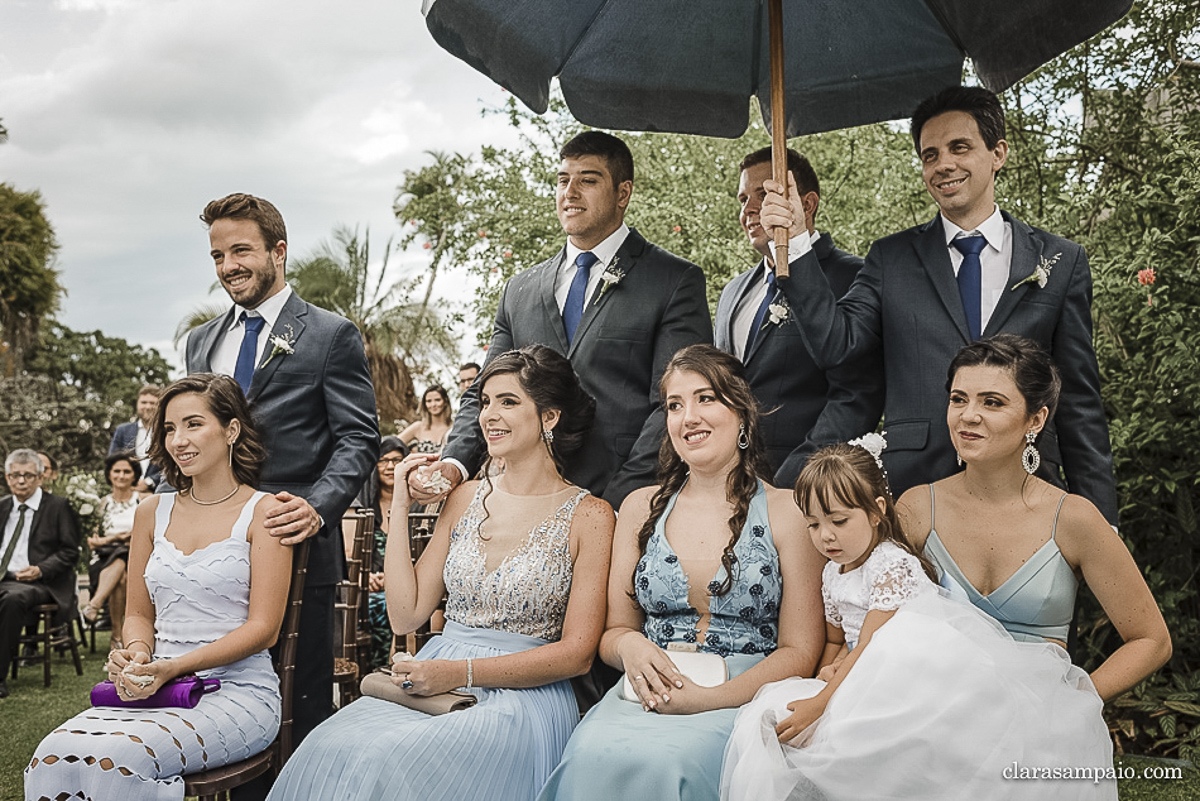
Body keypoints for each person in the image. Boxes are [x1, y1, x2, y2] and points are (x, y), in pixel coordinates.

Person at [721, 338, 1170, 801]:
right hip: (927, 710)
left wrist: (1075, 703)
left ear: (1036, 419)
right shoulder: (919, 508)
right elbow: (865, 603)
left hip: (1036, 719)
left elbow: (1151, 640)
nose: (968, 415)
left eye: (991, 402)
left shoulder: (1072, 518)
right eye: (959, 399)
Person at [267, 345, 614, 801]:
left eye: (508, 402)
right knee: (327, 746)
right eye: (485, 401)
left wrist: (459, 672)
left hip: (523, 696)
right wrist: (402, 509)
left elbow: (576, 655)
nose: (489, 414)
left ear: (549, 417)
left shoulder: (591, 515)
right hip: (432, 681)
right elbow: (406, 615)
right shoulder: (465, 497)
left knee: (385, 762)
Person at [763, 85, 1118, 523]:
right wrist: (797, 242)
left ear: (998, 153)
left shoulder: (1059, 262)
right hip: (917, 491)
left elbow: (1080, 403)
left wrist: (1102, 524)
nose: (943, 164)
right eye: (930, 155)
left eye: (959, 147)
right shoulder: (890, 259)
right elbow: (838, 344)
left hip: (1028, 490)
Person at [538, 345, 825, 801]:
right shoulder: (638, 508)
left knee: (674, 764)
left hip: (743, 695)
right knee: (587, 753)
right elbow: (613, 632)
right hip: (647, 691)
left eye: (705, 399)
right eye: (675, 405)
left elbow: (800, 649)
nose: (688, 416)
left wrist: (710, 700)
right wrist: (631, 646)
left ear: (742, 412)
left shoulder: (788, 511)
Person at [413, 130, 712, 513]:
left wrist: (619, 500)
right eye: (562, 180)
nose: (570, 192)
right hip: (526, 502)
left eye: (588, 180)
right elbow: (483, 393)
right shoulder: (518, 290)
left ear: (623, 193)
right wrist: (454, 464)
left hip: (630, 502)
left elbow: (676, 401)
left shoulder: (673, 280)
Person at [25, 374, 293, 799]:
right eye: (168, 428)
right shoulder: (151, 511)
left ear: (232, 430)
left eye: (193, 424)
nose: (178, 440)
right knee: (53, 752)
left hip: (239, 692)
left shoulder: (266, 511)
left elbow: (265, 629)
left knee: (120, 759)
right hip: (156, 687)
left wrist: (175, 667)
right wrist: (138, 654)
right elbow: (138, 614)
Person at [184, 193, 379, 765]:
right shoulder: (201, 341)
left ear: (279, 251)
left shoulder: (329, 334)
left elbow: (358, 438)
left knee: (299, 703)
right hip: (213, 553)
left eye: (240, 250)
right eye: (218, 256)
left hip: (295, 545)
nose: (228, 267)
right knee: (213, 697)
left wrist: (317, 507)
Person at [715, 147, 882, 488]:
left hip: (809, 487)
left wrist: (792, 480)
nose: (748, 210)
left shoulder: (855, 278)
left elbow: (855, 398)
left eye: (763, 195)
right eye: (743, 198)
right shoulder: (733, 292)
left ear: (806, 205)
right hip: (731, 482)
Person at [0, 449, 80, 699]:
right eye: (15, 475)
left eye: (27, 475)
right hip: (5, 577)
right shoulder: (2, 506)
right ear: (7, 477)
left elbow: (70, 551)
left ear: (40, 477)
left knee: (12, 600)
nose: (21, 481)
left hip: (40, 581)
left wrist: (41, 569)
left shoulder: (57, 506)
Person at [81, 451, 142, 646]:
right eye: (117, 471)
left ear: (134, 474)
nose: (121, 476)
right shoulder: (101, 504)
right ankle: (117, 635)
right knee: (121, 573)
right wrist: (117, 537)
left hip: (137, 555)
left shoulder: (144, 499)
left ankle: (95, 606)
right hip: (103, 559)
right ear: (109, 474)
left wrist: (130, 538)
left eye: (126, 471)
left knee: (124, 558)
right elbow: (92, 541)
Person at [364, 435, 407, 670]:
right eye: (383, 460)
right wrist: (368, 577)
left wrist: (395, 581)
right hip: (371, 584)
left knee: (395, 607)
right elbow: (352, 553)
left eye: (397, 460)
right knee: (374, 605)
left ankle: (393, 671)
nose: (390, 467)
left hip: (406, 585)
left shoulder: (418, 505)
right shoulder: (364, 506)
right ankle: (371, 672)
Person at [109, 385, 163, 494]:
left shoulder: (166, 432)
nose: (147, 407)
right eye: (143, 402)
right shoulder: (122, 430)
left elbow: (172, 465)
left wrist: (149, 482)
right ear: (137, 404)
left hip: (158, 492)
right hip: (126, 492)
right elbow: (112, 461)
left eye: (152, 403)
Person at [398, 386, 453, 454]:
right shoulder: (418, 427)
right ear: (425, 404)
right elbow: (393, 443)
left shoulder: (454, 428)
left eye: (437, 400)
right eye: (429, 401)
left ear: (445, 401)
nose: (433, 404)